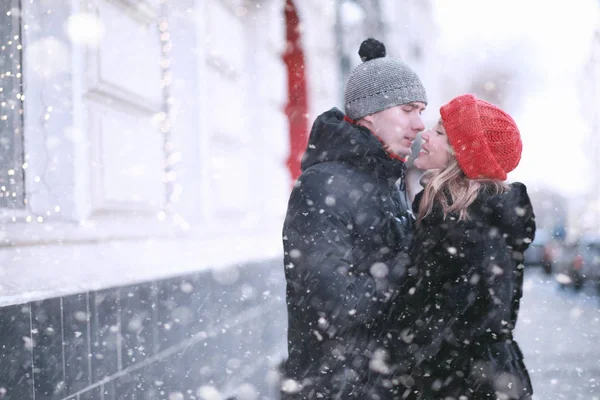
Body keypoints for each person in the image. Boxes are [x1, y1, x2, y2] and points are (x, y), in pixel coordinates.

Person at [281, 38, 427, 399]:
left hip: (383, 383)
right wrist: (411, 262)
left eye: (421, 110)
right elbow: (333, 306)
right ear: (370, 113)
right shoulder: (322, 185)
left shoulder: (387, 179)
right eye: (408, 109)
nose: (420, 123)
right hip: (340, 388)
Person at [386, 94, 535, 399]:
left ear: (462, 155)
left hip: (458, 382)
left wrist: (400, 366)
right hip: (484, 376)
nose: (425, 134)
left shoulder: (460, 222)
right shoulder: (472, 214)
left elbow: (437, 313)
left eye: (439, 132)